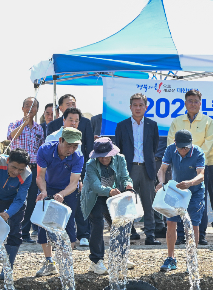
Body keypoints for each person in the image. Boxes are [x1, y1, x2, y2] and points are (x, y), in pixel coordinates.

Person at [167, 89, 213, 245]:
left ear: (200, 103)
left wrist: (194, 157)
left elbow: (209, 143)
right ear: (185, 103)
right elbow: (171, 141)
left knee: (199, 201)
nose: (193, 104)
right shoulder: (177, 121)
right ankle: (181, 235)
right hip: (180, 166)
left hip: (200, 166)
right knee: (180, 200)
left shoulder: (208, 121)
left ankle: (200, 234)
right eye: (190, 101)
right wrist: (180, 157)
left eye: (196, 101)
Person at [115, 93, 164, 245]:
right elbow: (119, 149)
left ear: (146, 107)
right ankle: (128, 233)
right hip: (128, 170)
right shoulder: (122, 125)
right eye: (135, 105)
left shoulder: (152, 125)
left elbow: (154, 147)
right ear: (130, 107)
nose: (137, 108)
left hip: (147, 168)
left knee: (148, 203)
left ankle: (150, 235)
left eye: (140, 105)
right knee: (128, 203)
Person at [81, 137, 134, 274]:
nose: (104, 159)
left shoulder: (120, 159)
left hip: (113, 196)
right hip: (94, 197)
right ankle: (96, 261)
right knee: (97, 225)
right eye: (100, 157)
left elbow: (125, 176)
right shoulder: (90, 164)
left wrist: (129, 185)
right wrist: (109, 191)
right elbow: (95, 186)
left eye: (107, 156)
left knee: (119, 224)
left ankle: (120, 256)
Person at [34, 127, 83, 276]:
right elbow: (40, 176)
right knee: (44, 225)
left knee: (68, 226)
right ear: (60, 140)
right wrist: (44, 191)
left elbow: (74, 183)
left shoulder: (78, 156)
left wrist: (62, 194)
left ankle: (66, 262)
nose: (71, 149)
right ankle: (49, 262)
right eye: (69, 145)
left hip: (67, 190)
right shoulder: (45, 150)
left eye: (75, 146)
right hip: (47, 187)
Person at [157, 130, 206, 272]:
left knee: (192, 225)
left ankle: (192, 259)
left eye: (186, 147)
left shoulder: (198, 152)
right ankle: (170, 258)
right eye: (181, 147)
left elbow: (201, 175)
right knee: (171, 222)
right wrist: (161, 182)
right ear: (175, 144)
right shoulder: (170, 150)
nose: (184, 150)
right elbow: (162, 169)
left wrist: (190, 183)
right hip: (176, 191)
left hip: (195, 192)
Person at [47, 106, 91, 246]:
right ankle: (54, 242)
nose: (73, 123)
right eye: (70, 120)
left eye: (76, 120)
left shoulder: (78, 138)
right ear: (63, 120)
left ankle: (70, 243)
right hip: (53, 182)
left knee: (71, 213)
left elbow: (78, 162)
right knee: (54, 214)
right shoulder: (52, 137)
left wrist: (79, 179)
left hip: (71, 181)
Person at [7, 97, 45, 244]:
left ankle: (25, 232)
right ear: (22, 108)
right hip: (17, 168)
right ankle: (12, 231)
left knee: (30, 201)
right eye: (27, 105)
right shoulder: (14, 124)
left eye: (33, 106)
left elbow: (41, 149)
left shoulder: (39, 128)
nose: (30, 108)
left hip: (33, 168)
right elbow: (10, 137)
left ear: (37, 110)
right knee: (15, 198)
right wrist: (24, 123)